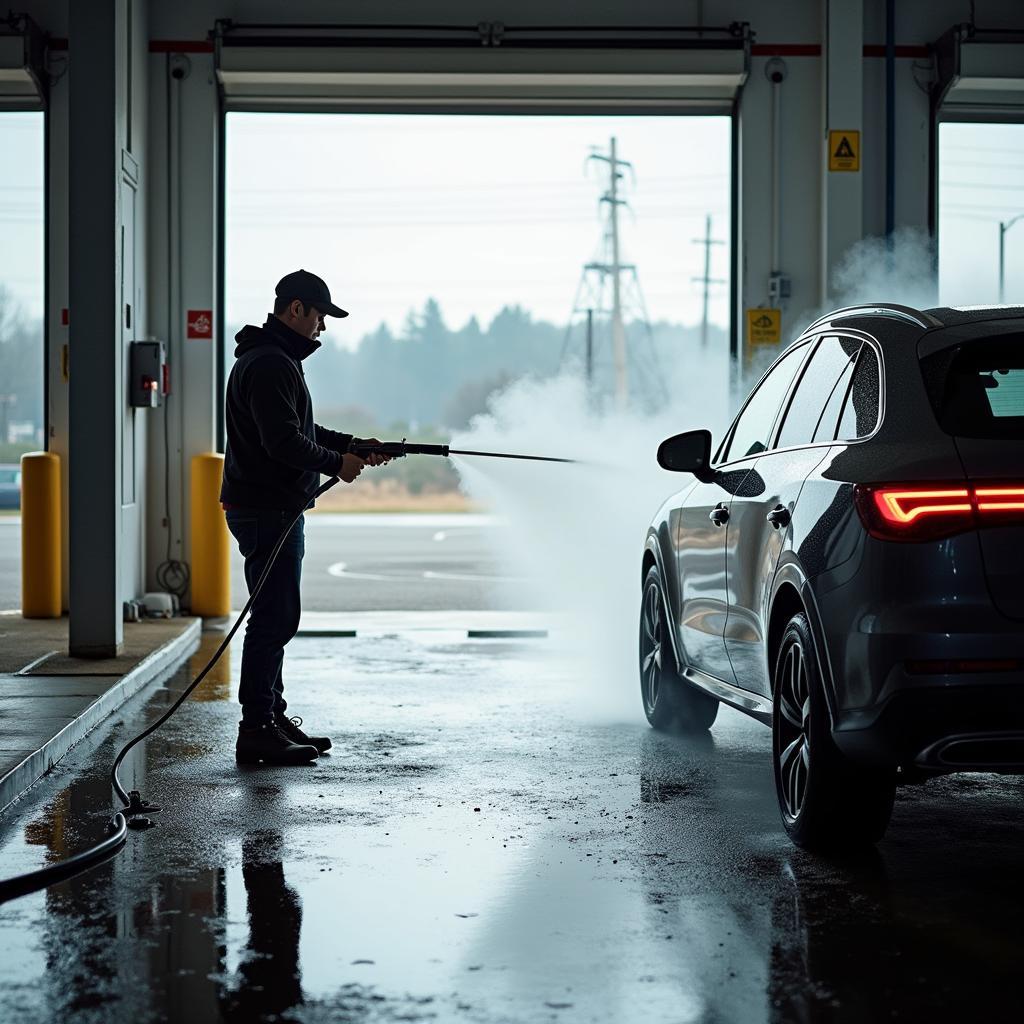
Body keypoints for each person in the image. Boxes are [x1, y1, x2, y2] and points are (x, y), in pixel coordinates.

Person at [220, 269, 387, 766]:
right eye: (319, 315)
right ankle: (256, 730)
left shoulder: (274, 360)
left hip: (271, 509)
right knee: (273, 619)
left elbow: (300, 426)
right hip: (268, 511)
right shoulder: (272, 364)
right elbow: (284, 442)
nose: (322, 326)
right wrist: (338, 463)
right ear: (295, 309)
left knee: (276, 617)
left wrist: (352, 445)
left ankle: (270, 718)